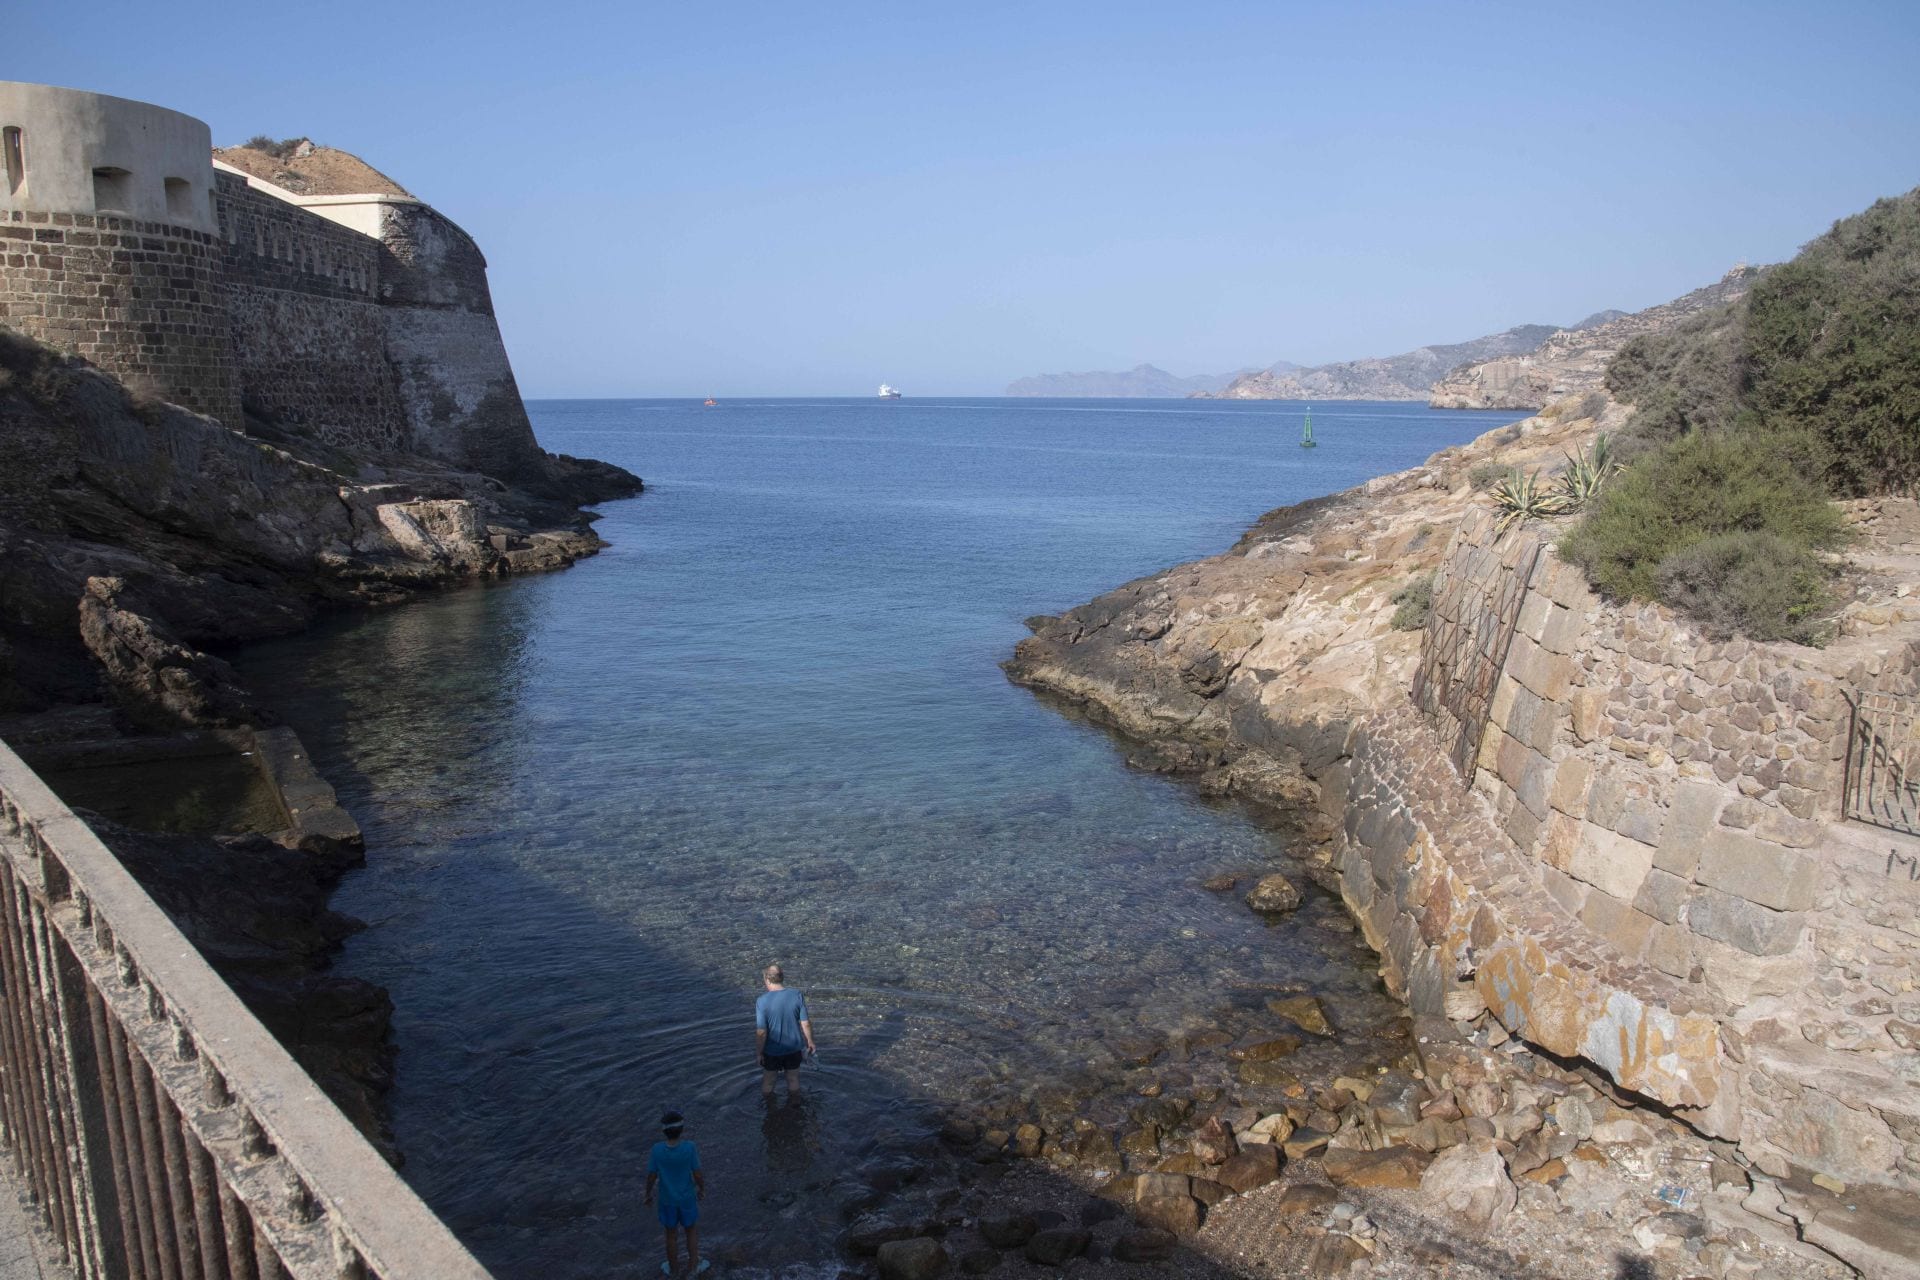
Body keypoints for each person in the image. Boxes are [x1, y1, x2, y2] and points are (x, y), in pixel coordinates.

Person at [644, 1109, 706, 1276]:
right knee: (691, 1231)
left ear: (664, 1130)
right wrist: (702, 1189)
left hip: (667, 1200)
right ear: (682, 1130)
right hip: (686, 1198)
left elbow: (651, 1176)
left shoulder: (656, 1150)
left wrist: (647, 1194)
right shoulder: (690, 1147)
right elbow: (697, 1173)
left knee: (670, 1236)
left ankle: (673, 1270)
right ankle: (693, 1268)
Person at [754, 963, 816, 1098]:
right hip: (794, 1048)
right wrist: (810, 1041)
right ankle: (795, 1107)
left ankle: (770, 1111)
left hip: (772, 1051)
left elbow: (761, 1032)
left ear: (767, 979)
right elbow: (805, 1023)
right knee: (793, 1079)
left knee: (769, 1082)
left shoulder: (761, 1001)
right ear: (782, 977)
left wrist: (759, 1053)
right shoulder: (797, 995)